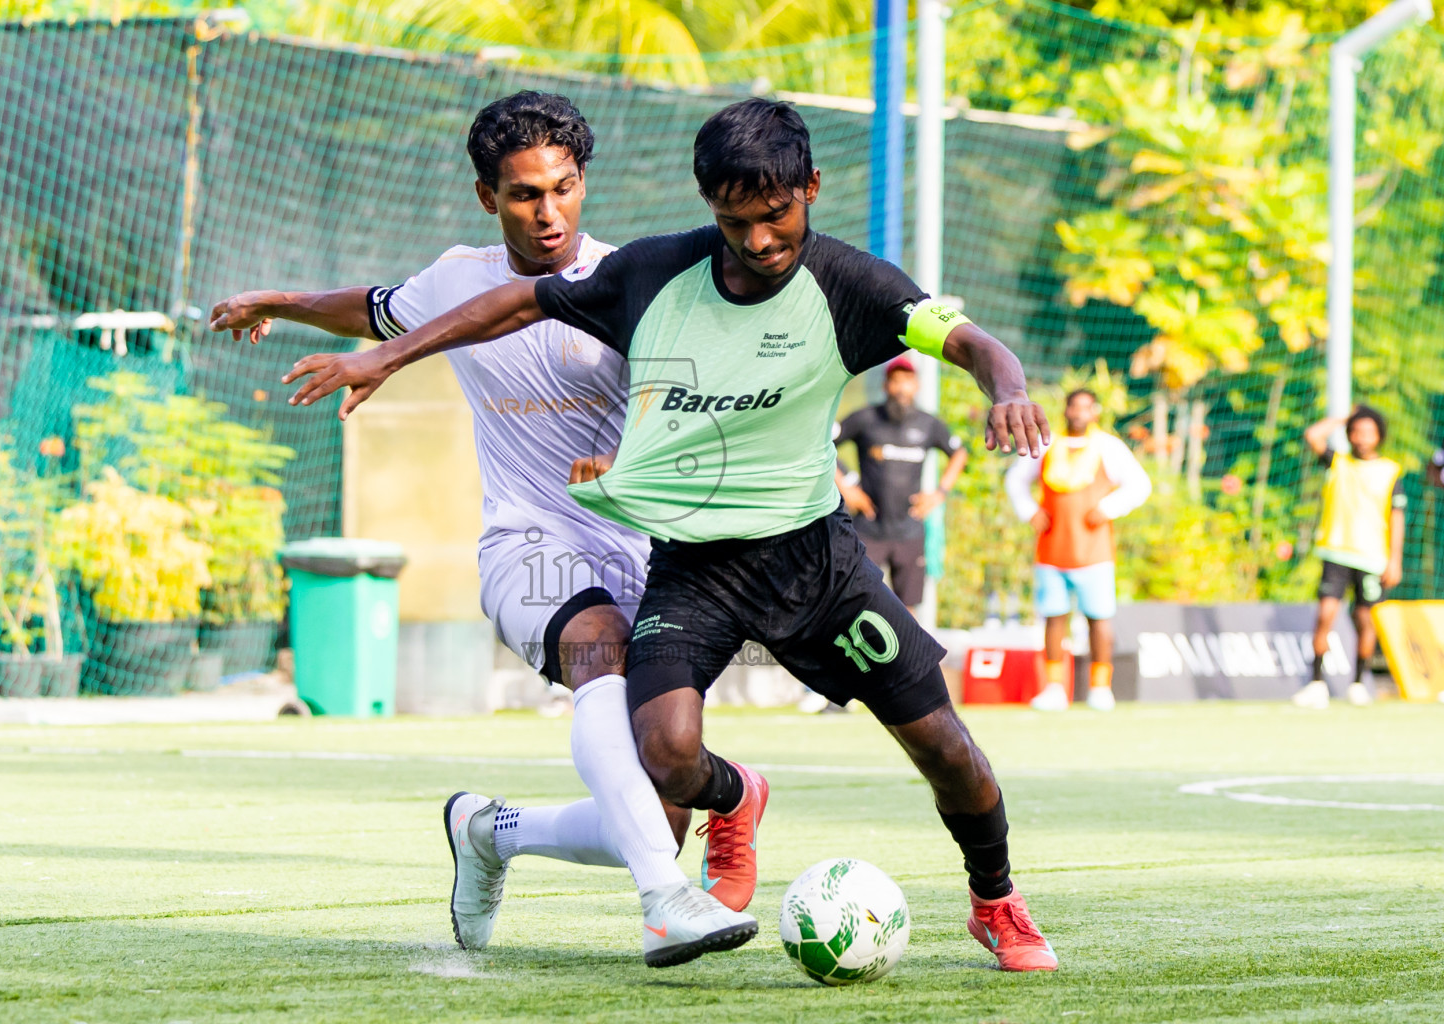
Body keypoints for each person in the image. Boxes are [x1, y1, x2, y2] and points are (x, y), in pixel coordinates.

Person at [281, 98, 1061, 972]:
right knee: (664, 760)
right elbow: (514, 304)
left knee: (943, 747)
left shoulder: (852, 283)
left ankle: (996, 901)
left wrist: (1008, 388)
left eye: (778, 216)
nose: (761, 240)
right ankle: (728, 804)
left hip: (817, 562)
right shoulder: (653, 276)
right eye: (736, 222)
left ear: (810, 188)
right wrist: (383, 355)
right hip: (691, 570)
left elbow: (971, 341)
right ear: (708, 207)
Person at [208, 91, 759, 969]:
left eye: (565, 188)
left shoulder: (636, 282)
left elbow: (689, 415)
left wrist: (631, 455)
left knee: (653, 814)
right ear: (485, 197)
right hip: (525, 545)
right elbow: (374, 306)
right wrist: (280, 300)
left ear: (585, 183)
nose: (549, 213)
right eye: (525, 195)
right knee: (599, 653)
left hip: (638, 555)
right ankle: (664, 903)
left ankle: (490, 831)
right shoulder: (458, 279)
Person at [1004, 388, 1151, 712]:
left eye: (1086, 407)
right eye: (1074, 406)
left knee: (1099, 619)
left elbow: (1140, 485)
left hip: (1093, 553)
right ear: (1066, 410)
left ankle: (1101, 687)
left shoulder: (1108, 447)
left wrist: (1110, 507)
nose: (1079, 413)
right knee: (1054, 619)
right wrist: (1030, 512)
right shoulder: (1046, 445)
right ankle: (1054, 688)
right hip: (1052, 551)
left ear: (1095, 412)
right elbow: (1015, 481)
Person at [1292, 406, 1406, 709]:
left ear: (1379, 435)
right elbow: (1313, 435)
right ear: (1349, 434)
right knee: (1325, 616)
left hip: (1372, 558)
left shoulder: (1390, 471)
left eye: (1368, 431)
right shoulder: (1338, 463)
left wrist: (1395, 560)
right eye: (1356, 431)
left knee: (1365, 620)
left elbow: (1397, 518)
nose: (1362, 437)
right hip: (1337, 552)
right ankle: (1316, 683)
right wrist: (1345, 415)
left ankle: (1358, 682)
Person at [834, 354, 967, 610]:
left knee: (908, 613)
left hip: (910, 530)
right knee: (857, 605)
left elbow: (959, 454)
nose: (901, 388)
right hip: (868, 530)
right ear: (886, 386)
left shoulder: (929, 425)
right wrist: (846, 487)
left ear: (916, 386)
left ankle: (907, 652)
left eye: (907, 381)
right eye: (895, 381)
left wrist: (939, 493)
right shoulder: (865, 418)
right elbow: (822, 445)